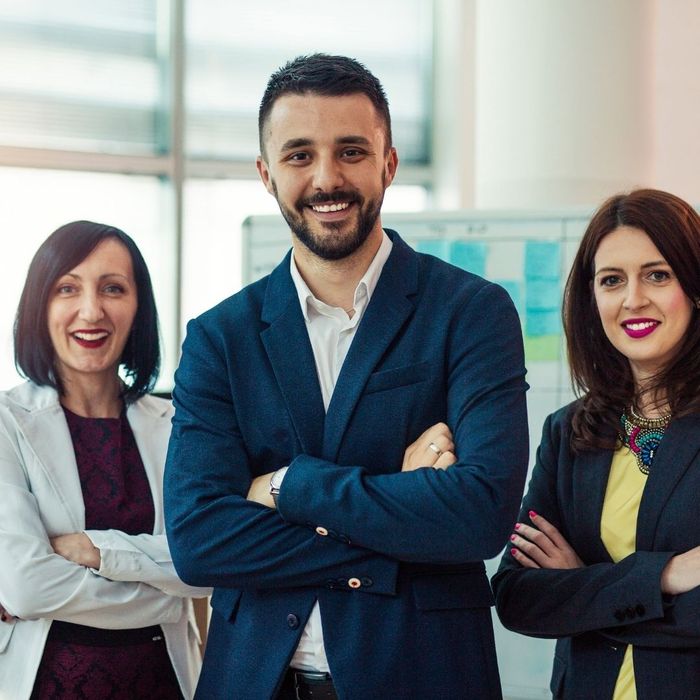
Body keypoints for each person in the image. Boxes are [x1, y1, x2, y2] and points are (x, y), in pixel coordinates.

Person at [164, 54, 529, 700]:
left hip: (422, 678)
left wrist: (283, 485)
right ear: (266, 174)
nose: (327, 178)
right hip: (254, 682)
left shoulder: (471, 314)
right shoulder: (220, 338)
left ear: (388, 163)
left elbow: (479, 515)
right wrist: (399, 507)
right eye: (300, 155)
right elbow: (198, 541)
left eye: (351, 152)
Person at [492, 189, 700, 699]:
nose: (633, 299)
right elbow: (517, 596)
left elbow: (555, 600)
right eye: (612, 280)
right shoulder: (571, 431)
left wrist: (584, 588)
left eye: (658, 274)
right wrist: (666, 576)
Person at [0, 221, 209, 700]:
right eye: (67, 288)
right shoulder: (7, 422)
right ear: (39, 306)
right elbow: (27, 587)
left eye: (113, 288)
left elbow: (207, 562)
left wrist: (94, 550)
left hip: (166, 685)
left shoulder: (181, 424)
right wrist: (166, 595)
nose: (91, 311)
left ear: (139, 307)